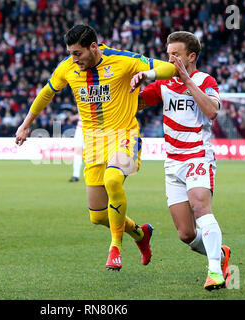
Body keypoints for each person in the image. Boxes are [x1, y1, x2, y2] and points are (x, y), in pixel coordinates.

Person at [15, 25, 176, 270]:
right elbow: (46, 94)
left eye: (78, 53)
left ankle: (115, 247)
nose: (74, 58)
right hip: (93, 144)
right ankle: (141, 235)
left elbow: (170, 68)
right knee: (98, 216)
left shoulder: (123, 60)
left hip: (124, 135)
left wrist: (148, 74)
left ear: (93, 47)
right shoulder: (67, 67)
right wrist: (26, 125)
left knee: (113, 180)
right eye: (70, 53)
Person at [130, 31, 231, 290]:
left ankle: (214, 272)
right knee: (186, 234)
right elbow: (136, 105)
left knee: (200, 207)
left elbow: (211, 111)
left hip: (198, 155)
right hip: (172, 162)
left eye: (175, 54)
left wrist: (185, 80)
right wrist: (127, 87)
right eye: (168, 55)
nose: (170, 59)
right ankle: (220, 255)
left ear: (191, 56)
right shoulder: (163, 83)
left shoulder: (205, 80)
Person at [69, 113, 84, 182]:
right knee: (78, 151)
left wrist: (74, 117)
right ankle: (76, 174)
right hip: (80, 128)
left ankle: (79, 175)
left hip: (92, 127)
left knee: (90, 153)